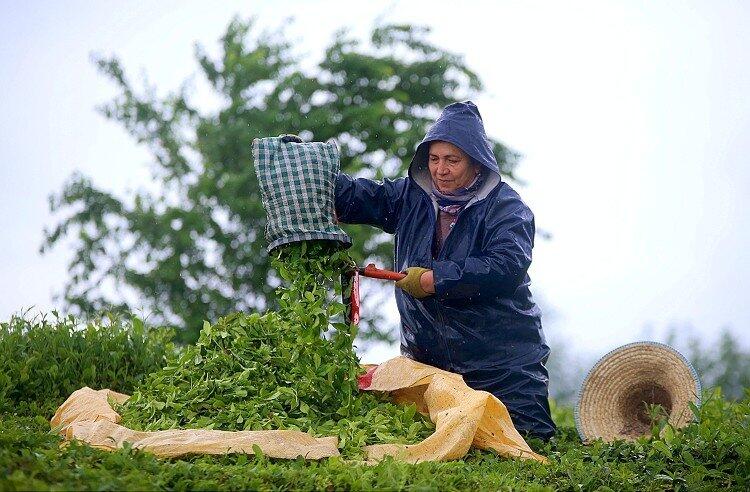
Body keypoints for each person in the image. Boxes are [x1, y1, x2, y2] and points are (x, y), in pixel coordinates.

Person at [334, 101, 556, 440]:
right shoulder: (411, 196)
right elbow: (361, 197)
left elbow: (506, 266)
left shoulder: (507, 208)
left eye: (452, 160)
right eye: (434, 159)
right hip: (429, 366)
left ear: (476, 162)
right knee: (434, 451)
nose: (441, 170)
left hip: (502, 367)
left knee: (524, 447)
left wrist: (434, 279)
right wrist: (316, 175)